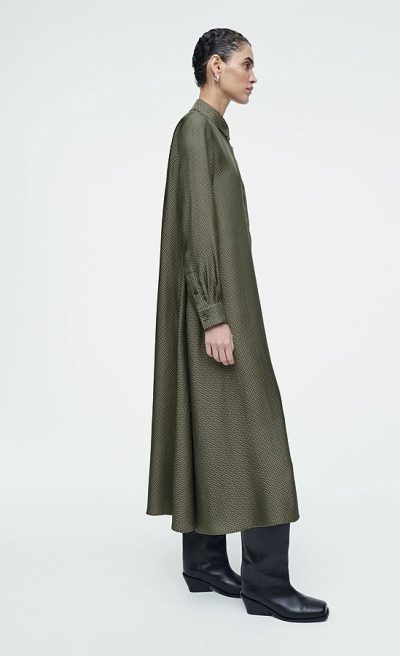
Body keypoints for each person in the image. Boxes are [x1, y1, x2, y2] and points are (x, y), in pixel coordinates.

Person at [146, 28, 329, 622]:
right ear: (215, 67)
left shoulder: (211, 132)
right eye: (245, 64)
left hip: (222, 309)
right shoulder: (195, 131)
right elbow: (198, 230)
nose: (253, 76)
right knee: (259, 433)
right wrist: (213, 317)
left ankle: (203, 563)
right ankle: (267, 584)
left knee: (212, 425)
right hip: (218, 314)